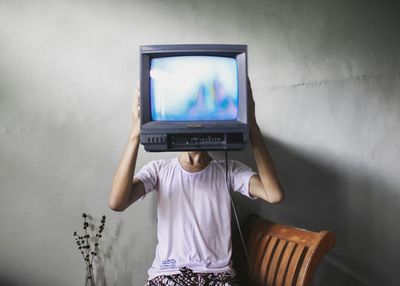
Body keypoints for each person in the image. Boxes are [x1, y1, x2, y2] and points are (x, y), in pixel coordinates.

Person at [109, 79, 284, 286]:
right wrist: (134, 135)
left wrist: (252, 128)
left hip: (218, 278)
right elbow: (117, 203)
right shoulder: (159, 170)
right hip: (167, 276)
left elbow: (274, 195)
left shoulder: (228, 170)